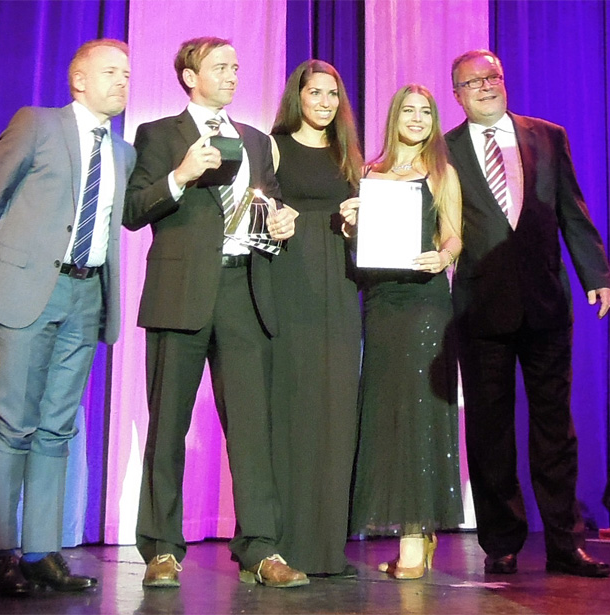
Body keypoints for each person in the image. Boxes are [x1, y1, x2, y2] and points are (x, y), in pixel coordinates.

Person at [124, 36, 307, 589]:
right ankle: (161, 548)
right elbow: (133, 211)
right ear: (189, 75)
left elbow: (266, 209)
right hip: (179, 294)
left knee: (253, 428)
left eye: (236, 65)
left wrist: (278, 226)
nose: (232, 74)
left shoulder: (253, 140)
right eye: (219, 66)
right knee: (168, 426)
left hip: (243, 293)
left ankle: (261, 547)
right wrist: (179, 175)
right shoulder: (158, 135)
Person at [0, 39, 135, 595]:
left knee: (59, 426)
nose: (122, 81)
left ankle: (42, 551)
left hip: (87, 296)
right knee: (14, 421)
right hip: (30, 290)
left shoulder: (123, 152)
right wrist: (19, 266)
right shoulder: (37, 124)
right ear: (78, 79)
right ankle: (2, 554)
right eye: (111, 71)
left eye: (128, 74)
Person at [445, 49, 610, 578]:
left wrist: (597, 274)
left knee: (555, 430)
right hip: (481, 308)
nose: (485, 85)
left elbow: (571, 209)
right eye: (472, 82)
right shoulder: (442, 150)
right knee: (491, 432)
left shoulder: (549, 135)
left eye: (492, 75)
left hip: (546, 303)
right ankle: (501, 542)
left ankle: (565, 543)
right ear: (457, 94)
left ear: (504, 79)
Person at [342, 84, 464, 579]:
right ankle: (411, 536)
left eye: (426, 112)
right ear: (394, 117)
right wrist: (351, 225)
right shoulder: (369, 173)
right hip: (381, 301)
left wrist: (445, 255)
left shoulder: (442, 172)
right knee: (386, 412)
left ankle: (415, 539)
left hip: (425, 303)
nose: (417, 118)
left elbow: (454, 233)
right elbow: (359, 241)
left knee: (420, 414)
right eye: (409, 110)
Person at [267, 59, 363, 576]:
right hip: (291, 282)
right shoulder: (274, 146)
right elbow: (256, 213)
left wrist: (355, 222)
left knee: (335, 406)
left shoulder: (349, 154)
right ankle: (282, 542)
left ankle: (327, 545)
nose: (324, 102)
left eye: (332, 94)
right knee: (294, 403)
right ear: (297, 97)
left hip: (340, 286)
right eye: (315, 93)